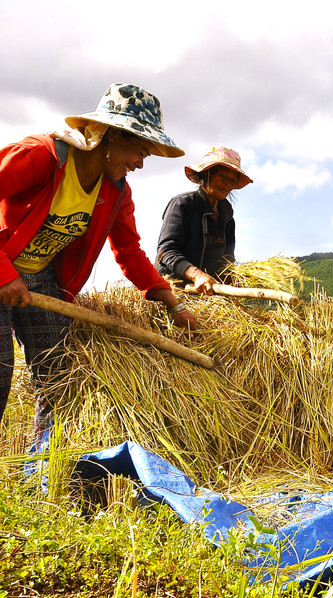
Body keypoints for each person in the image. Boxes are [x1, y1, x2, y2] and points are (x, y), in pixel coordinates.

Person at [0, 82, 199, 440]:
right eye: (139, 150)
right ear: (110, 136)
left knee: (57, 373)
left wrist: (171, 300)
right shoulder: (40, 157)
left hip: (40, 278)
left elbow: (129, 251)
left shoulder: (116, 191)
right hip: (2, 268)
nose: (139, 163)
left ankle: (42, 469)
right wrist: (3, 273)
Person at [155, 146, 252, 294]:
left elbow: (226, 261)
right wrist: (196, 275)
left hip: (206, 294)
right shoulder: (183, 204)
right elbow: (166, 251)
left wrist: (233, 279)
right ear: (206, 174)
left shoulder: (226, 217)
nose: (227, 183)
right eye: (223, 176)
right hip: (174, 288)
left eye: (232, 180)